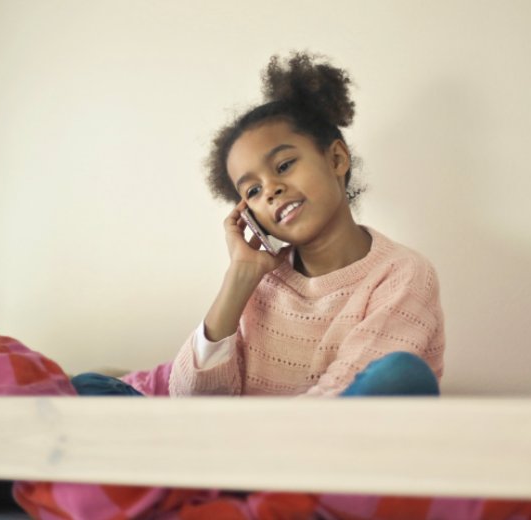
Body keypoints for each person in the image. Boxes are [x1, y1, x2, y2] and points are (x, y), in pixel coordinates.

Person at [73, 51, 444, 398]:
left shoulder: (402, 273)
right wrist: (240, 279)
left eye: (283, 166)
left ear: (336, 158)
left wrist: (246, 442)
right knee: (87, 387)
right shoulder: (261, 284)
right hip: (232, 451)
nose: (272, 190)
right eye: (252, 190)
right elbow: (188, 399)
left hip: (322, 451)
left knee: (400, 375)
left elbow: (343, 396)